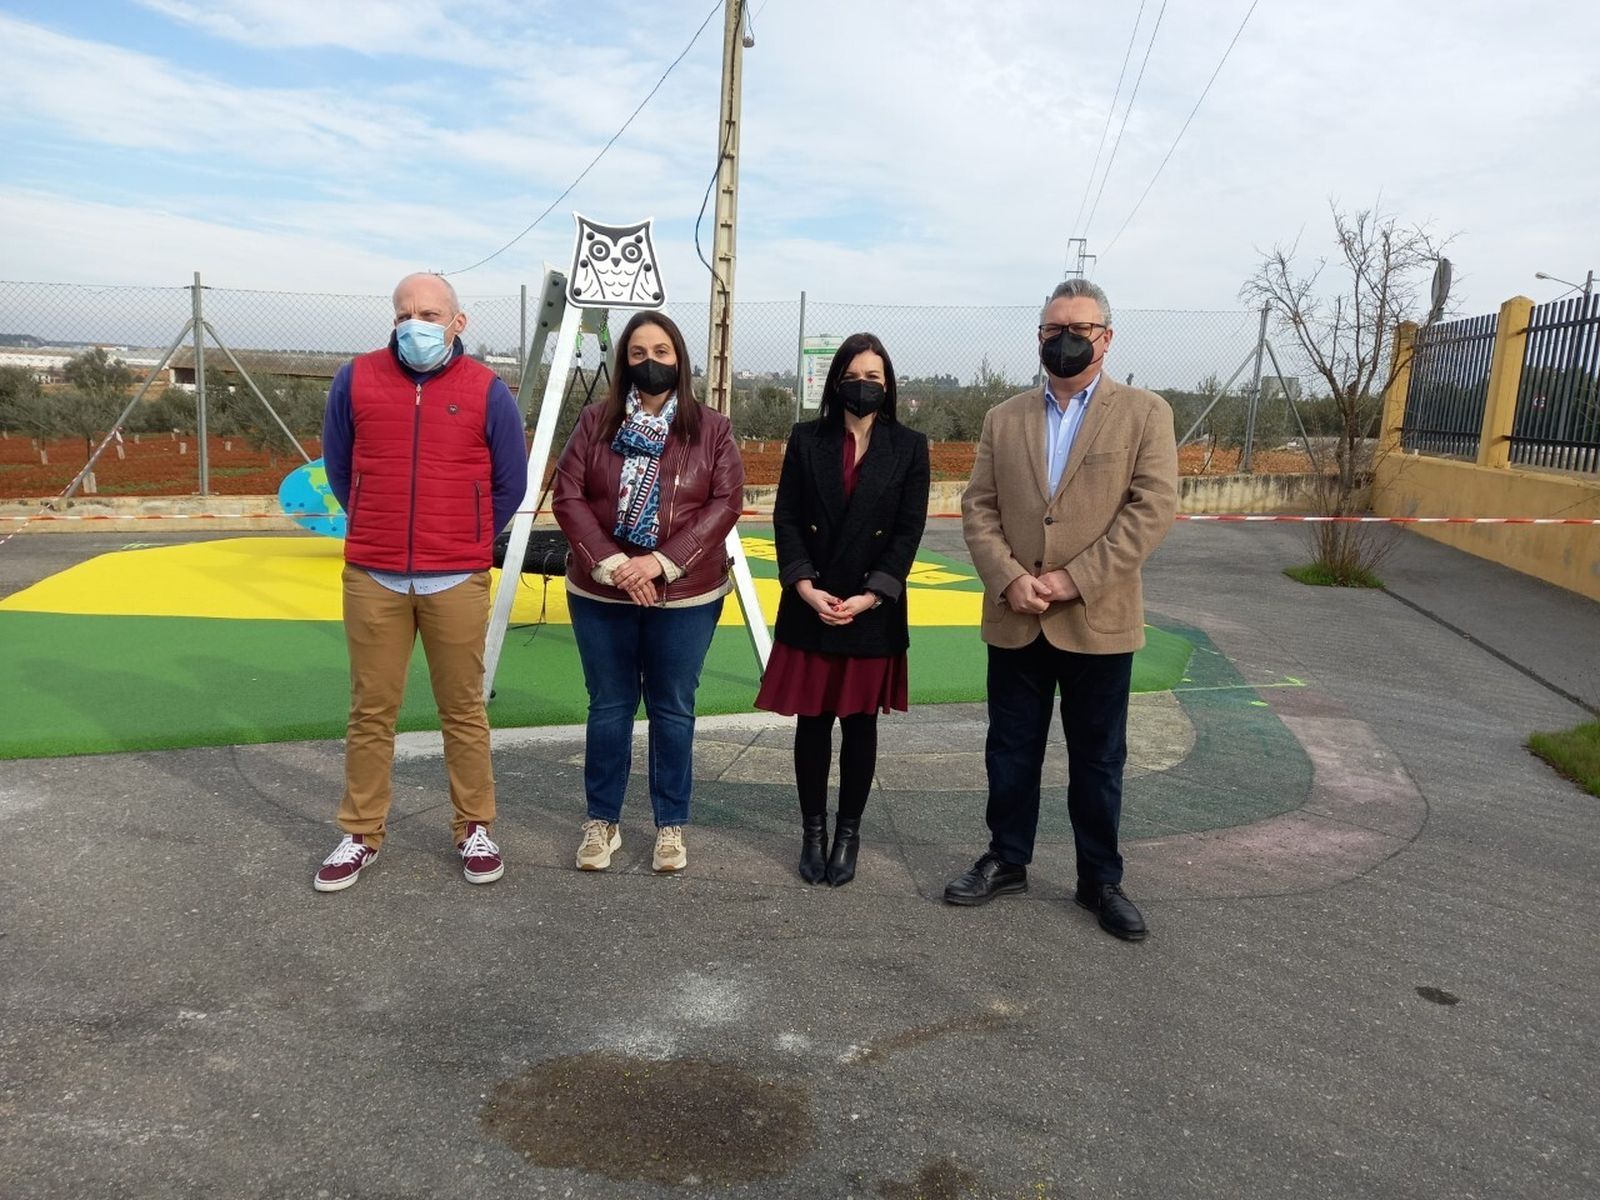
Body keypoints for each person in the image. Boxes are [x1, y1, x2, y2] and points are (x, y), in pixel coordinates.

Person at [944, 278, 1178, 940]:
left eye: (1079, 329)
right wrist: (1008, 577)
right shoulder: (1003, 417)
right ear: (1039, 337)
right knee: (1010, 751)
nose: (1066, 340)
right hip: (1016, 615)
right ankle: (1007, 859)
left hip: (1096, 619)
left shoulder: (1145, 413)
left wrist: (1075, 579)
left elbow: (1151, 508)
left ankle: (1099, 879)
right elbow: (979, 505)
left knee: (1099, 759)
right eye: (1053, 330)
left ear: (1106, 338)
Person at [314, 272, 528, 892]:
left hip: (455, 577)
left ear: (458, 322)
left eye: (431, 313)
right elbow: (339, 467)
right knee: (371, 710)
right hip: (373, 574)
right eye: (406, 312)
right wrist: (380, 521)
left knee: (462, 709)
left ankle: (475, 827)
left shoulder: (488, 390)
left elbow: (509, 483)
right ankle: (360, 833)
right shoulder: (355, 379)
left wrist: (464, 535)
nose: (417, 323)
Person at [553, 311, 745, 874]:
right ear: (622, 363)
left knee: (672, 708)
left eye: (662, 352)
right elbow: (568, 497)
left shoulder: (713, 428)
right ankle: (603, 822)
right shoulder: (594, 422)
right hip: (601, 592)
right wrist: (615, 565)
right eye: (638, 353)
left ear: (680, 360)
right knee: (609, 706)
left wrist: (660, 564)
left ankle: (669, 826)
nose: (650, 362)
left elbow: (723, 504)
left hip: (685, 594)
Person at [755, 333, 930, 886]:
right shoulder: (807, 439)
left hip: (871, 608)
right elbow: (786, 518)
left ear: (888, 385)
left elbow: (907, 531)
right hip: (813, 601)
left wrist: (873, 593)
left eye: (875, 377)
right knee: (813, 724)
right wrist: (804, 586)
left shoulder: (910, 446)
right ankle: (812, 831)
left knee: (859, 726)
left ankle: (848, 835)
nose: (865, 384)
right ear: (836, 381)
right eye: (856, 374)